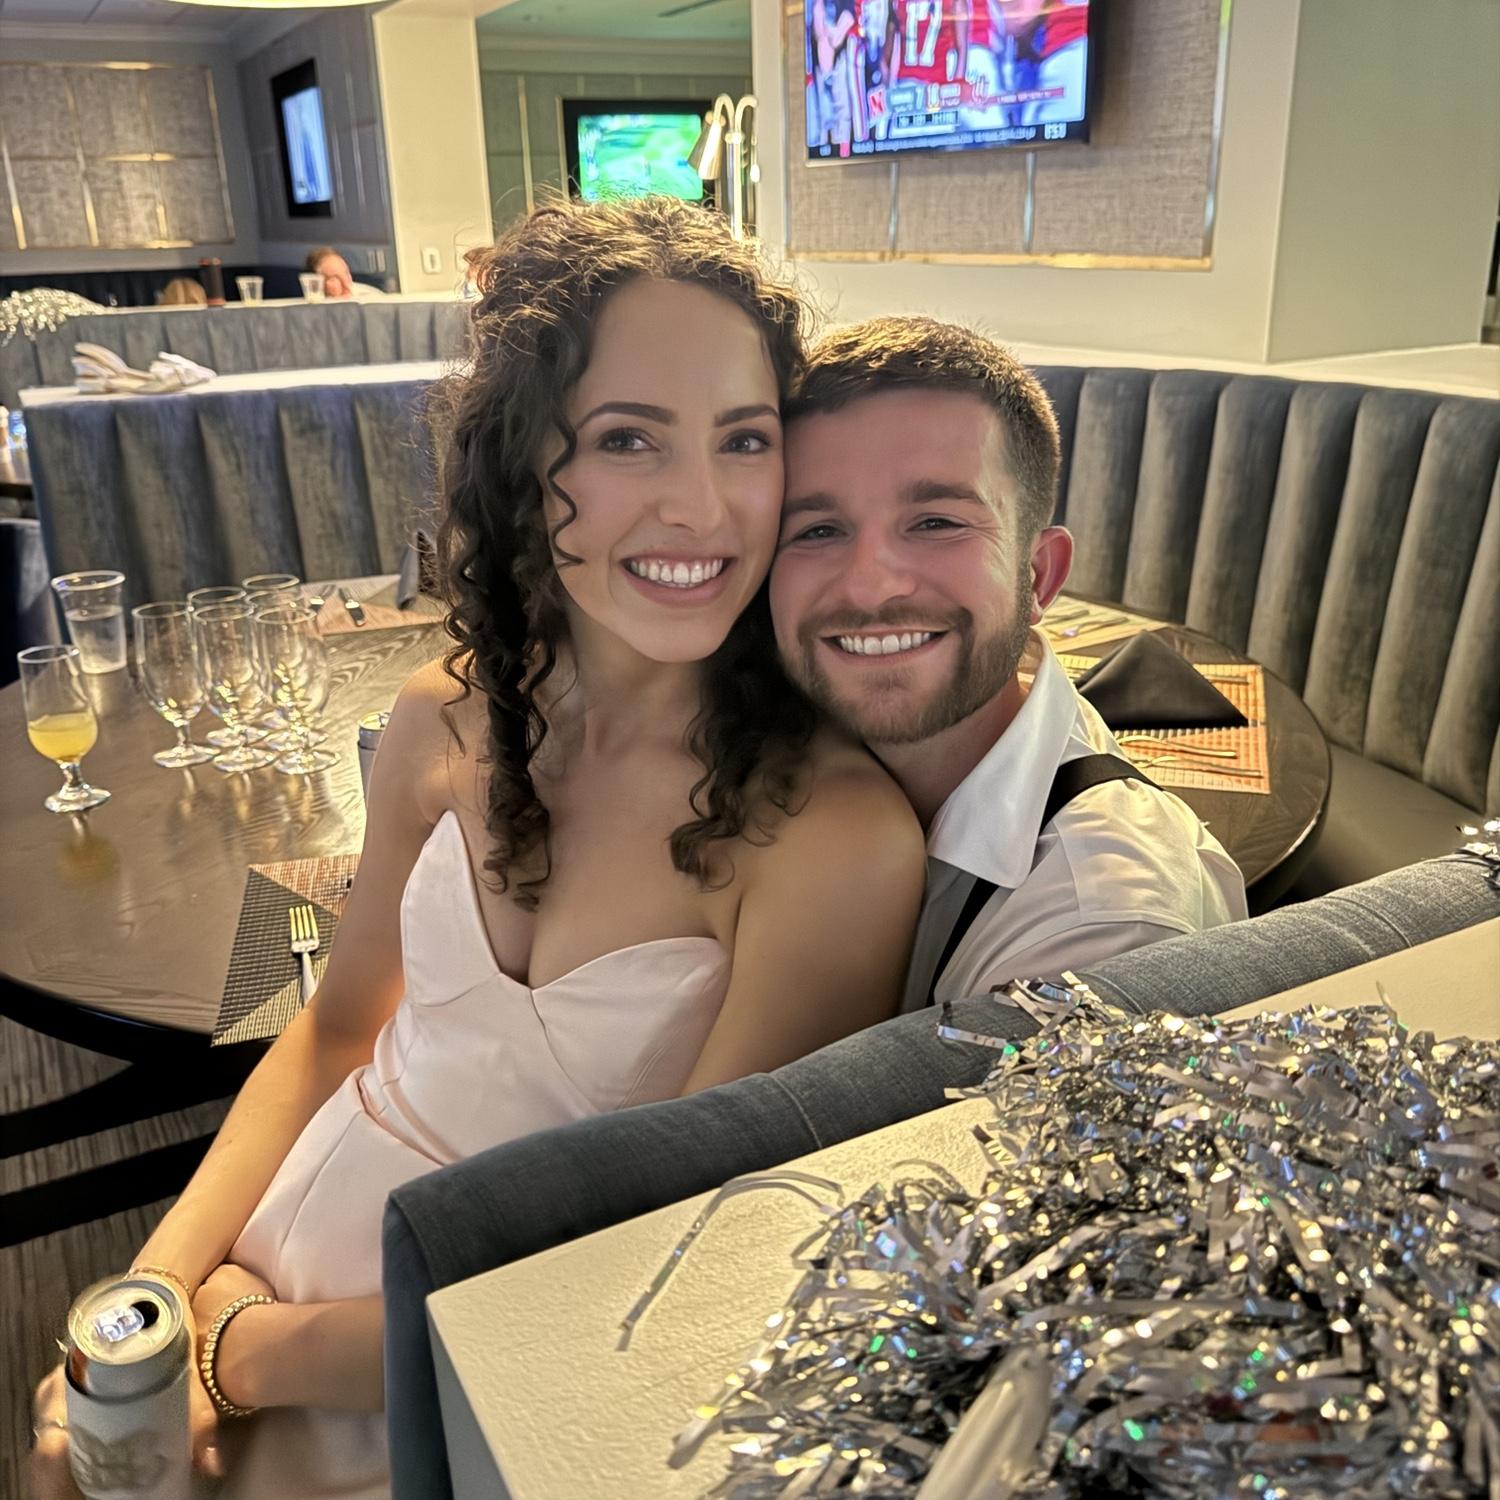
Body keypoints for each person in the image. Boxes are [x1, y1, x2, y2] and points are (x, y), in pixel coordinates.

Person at [29, 200, 925, 1500]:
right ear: (520, 464)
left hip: (469, 1376)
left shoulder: (832, 839)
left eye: (745, 439)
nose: (703, 506)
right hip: (278, 1243)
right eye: (627, 439)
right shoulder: (438, 718)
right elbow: (337, 1031)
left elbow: (667, 1270)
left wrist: (241, 1353)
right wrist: (148, 1307)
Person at [772, 317, 1246, 1006]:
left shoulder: (1099, 932)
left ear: (1038, 576)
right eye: (817, 529)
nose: (870, 586)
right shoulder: (757, 746)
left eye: (936, 522)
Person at [303, 245, 383, 300]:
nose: (346, 285)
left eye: (346, 273)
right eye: (334, 278)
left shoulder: (372, 299)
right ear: (315, 286)